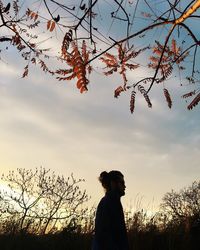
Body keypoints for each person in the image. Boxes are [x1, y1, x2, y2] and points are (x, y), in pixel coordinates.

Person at [92, 170, 129, 250]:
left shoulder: (112, 201)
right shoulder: (109, 202)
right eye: (122, 183)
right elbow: (104, 235)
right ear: (113, 183)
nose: (125, 186)